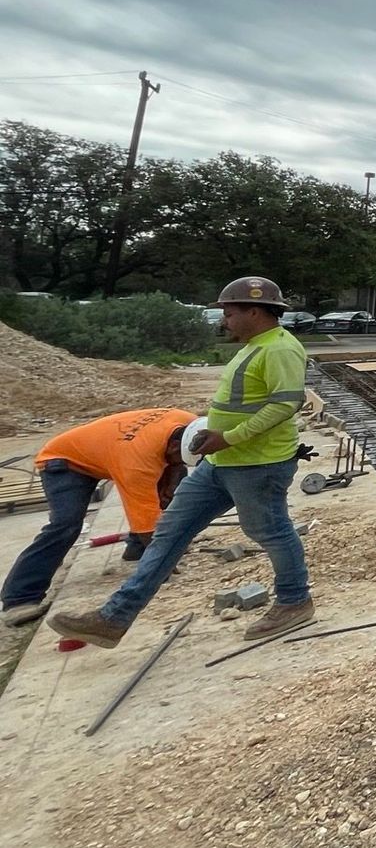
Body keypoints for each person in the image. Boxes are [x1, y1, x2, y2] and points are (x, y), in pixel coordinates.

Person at [50, 275, 315, 648]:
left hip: (258, 464)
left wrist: (229, 436)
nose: (224, 319)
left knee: (269, 530)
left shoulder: (280, 349)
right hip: (221, 462)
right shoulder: (254, 345)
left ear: (254, 311)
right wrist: (216, 435)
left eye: (229, 312)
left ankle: (294, 601)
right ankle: (114, 617)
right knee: (169, 531)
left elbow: (286, 404)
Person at [1, 408, 196, 626]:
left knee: (176, 482)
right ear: (173, 445)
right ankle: (20, 597)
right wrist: (162, 563)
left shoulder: (188, 421)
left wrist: (173, 473)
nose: (181, 462)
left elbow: (175, 463)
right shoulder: (137, 463)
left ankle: (137, 549)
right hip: (65, 461)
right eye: (180, 457)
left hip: (108, 452)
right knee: (66, 525)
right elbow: (146, 522)